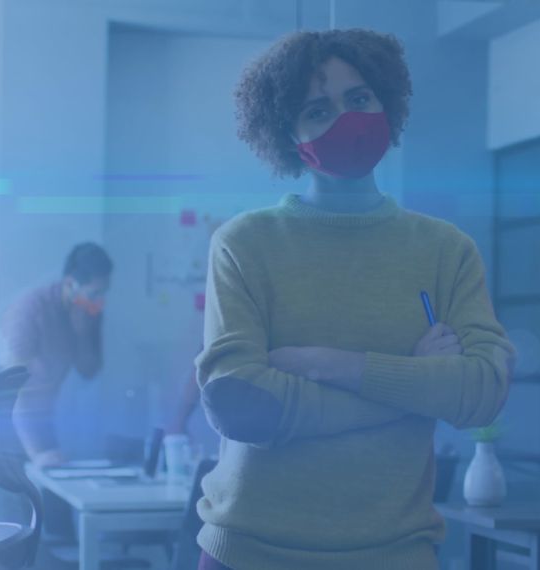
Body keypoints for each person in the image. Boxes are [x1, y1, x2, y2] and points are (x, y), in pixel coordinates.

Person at [194, 28, 515, 570]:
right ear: (287, 135)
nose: (346, 119)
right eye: (318, 110)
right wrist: (412, 381)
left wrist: (329, 365)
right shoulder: (245, 243)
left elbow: (484, 389)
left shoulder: (444, 250)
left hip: (397, 553)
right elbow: (242, 406)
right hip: (250, 551)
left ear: (386, 102)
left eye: (360, 99)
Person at [0, 242, 112, 468]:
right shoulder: (30, 310)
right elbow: (13, 387)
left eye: (103, 293)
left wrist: (82, 334)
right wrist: (36, 454)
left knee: (54, 498)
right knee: (21, 497)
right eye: (94, 293)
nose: (99, 303)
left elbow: (89, 371)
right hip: (11, 424)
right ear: (70, 284)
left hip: (43, 421)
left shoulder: (89, 312)